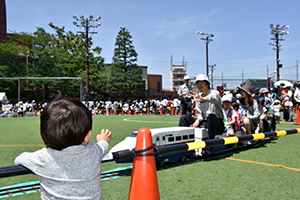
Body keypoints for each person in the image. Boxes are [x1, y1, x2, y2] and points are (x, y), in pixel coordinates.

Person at [14, 97, 112, 200]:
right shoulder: (94, 151)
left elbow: (19, 159)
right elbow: (103, 147)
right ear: (87, 136)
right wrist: (103, 140)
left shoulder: (42, 158)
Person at [179, 74, 224, 155]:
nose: (199, 85)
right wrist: (198, 119)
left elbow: (213, 99)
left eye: (202, 83)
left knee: (211, 116)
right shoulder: (199, 96)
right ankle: (182, 146)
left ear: (207, 84)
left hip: (217, 123)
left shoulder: (215, 92)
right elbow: (200, 114)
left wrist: (203, 99)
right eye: (198, 83)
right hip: (205, 121)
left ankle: (209, 148)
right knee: (184, 118)